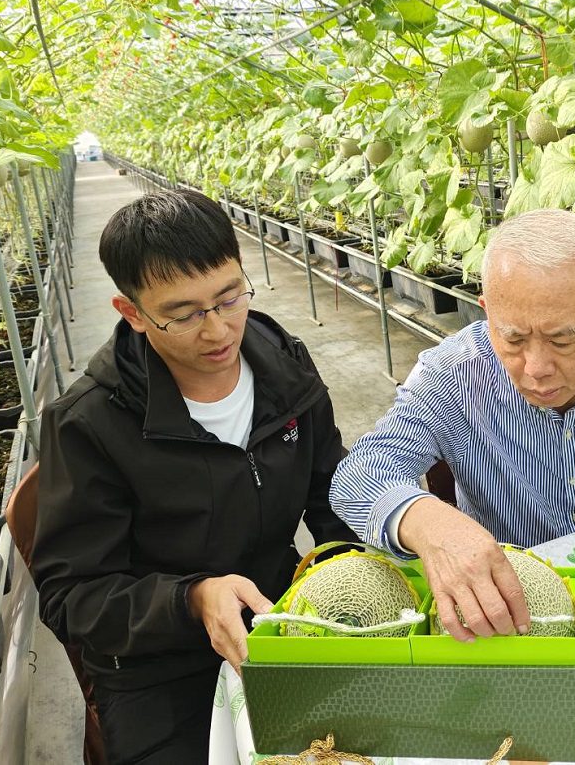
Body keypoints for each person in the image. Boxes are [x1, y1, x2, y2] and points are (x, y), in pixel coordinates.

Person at [33, 188, 354, 764]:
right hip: (158, 668)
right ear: (131, 313)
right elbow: (71, 596)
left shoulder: (285, 368)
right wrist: (193, 599)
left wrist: (349, 574)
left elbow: (333, 495)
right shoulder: (88, 425)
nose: (218, 331)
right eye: (183, 315)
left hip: (275, 620)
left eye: (230, 297)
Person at [330, 208, 575, 643]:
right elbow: (359, 473)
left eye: (562, 340)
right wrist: (429, 523)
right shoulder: (453, 374)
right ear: (487, 314)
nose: (536, 367)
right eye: (512, 339)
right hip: (514, 612)